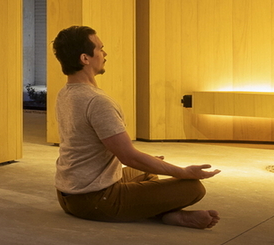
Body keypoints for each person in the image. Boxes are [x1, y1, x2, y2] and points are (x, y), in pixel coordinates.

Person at [51, 25, 220, 228]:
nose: (105, 54)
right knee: (193, 188)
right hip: (95, 200)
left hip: (68, 195)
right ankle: (168, 215)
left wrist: (150, 162)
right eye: (100, 49)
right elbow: (128, 157)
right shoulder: (96, 102)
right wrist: (183, 172)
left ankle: (167, 214)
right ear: (85, 58)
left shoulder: (65, 93)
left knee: (149, 172)